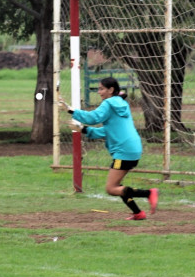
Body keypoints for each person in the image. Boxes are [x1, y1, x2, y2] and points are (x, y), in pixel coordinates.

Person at [59, 77, 158, 220]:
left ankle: (149, 193)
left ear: (111, 90)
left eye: (101, 89)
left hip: (124, 151)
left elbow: (93, 118)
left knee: (111, 188)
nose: (99, 92)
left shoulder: (109, 103)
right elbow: (106, 131)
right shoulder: (121, 103)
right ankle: (138, 213)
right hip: (133, 148)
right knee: (117, 185)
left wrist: (71, 110)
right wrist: (83, 129)